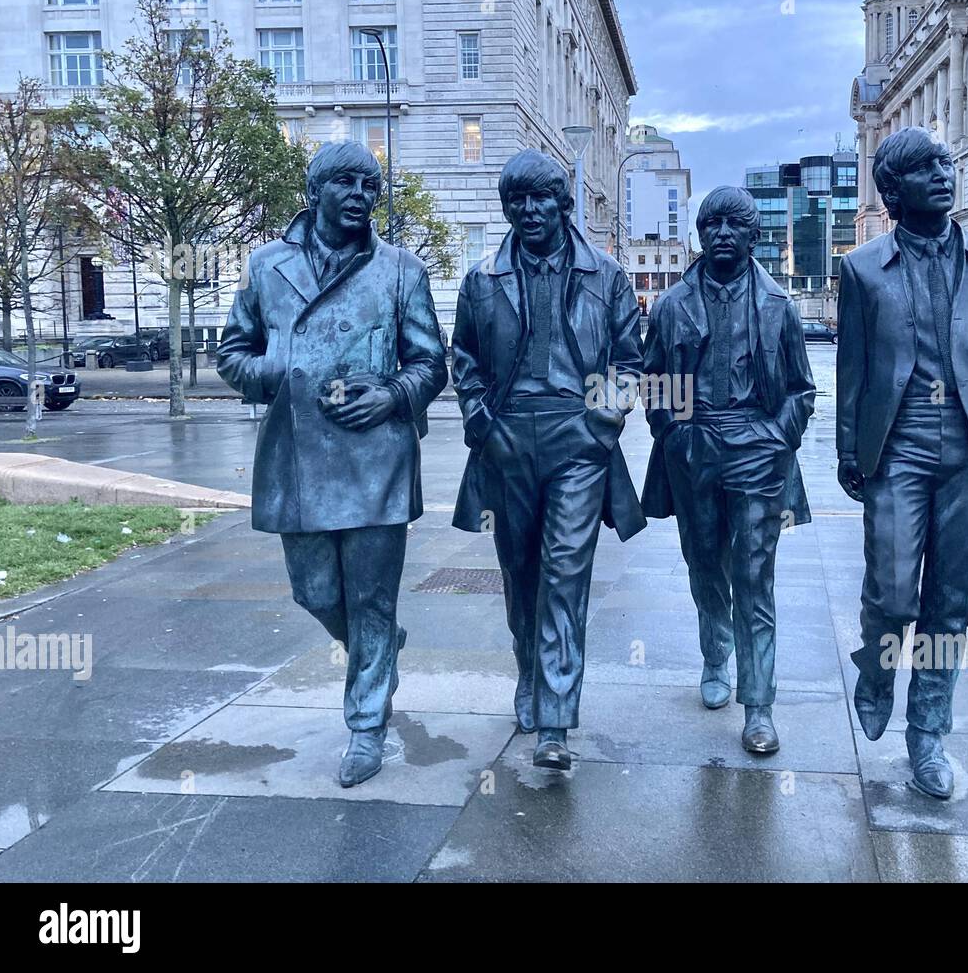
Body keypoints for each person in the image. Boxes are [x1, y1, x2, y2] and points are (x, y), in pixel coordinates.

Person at [217, 142, 448, 788]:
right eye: (343, 182)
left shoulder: (400, 270)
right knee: (314, 591)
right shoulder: (265, 267)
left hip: (377, 459)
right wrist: (282, 375)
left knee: (372, 598)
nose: (358, 194)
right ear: (312, 191)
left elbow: (431, 361)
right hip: (298, 457)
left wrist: (393, 394)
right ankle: (379, 649)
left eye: (369, 184)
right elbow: (233, 352)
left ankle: (366, 724)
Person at [836, 126, 968, 799]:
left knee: (949, 603)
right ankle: (877, 665)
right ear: (892, 190)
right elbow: (854, 371)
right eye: (926, 167)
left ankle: (927, 733)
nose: (944, 174)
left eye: (946, 164)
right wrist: (848, 448)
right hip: (898, 444)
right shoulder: (863, 268)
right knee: (893, 591)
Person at [450, 149, 646, 770]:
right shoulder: (482, 279)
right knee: (521, 574)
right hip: (507, 438)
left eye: (541, 198)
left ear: (564, 203)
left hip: (577, 441)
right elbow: (465, 359)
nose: (529, 211)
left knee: (565, 573)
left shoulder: (606, 275)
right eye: (517, 200)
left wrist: (602, 422)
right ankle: (530, 674)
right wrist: (481, 419)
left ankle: (557, 718)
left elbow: (627, 361)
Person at [640, 186, 815, 754]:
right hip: (695, 449)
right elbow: (653, 381)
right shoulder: (669, 307)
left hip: (757, 450)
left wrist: (774, 437)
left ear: (752, 235)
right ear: (698, 234)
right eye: (709, 224)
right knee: (704, 565)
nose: (720, 234)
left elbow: (801, 389)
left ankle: (759, 704)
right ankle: (716, 655)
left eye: (732, 225)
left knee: (755, 576)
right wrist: (674, 430)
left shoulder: (778, 306)